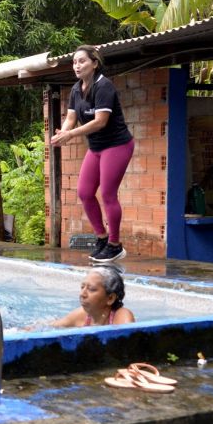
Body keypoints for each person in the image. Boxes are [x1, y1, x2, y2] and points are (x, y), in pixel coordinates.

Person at [50, 45, 134, 263]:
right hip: (96, 148)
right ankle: (102, 238)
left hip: (117, 145)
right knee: (85, 192)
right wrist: (63, 132)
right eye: (75, 62)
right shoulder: (76, 89)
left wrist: (72, 135)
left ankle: (115, 245)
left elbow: (100, 122)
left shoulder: (104, 86)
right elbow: (70, 117)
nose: (77, 66)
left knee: (107, 194)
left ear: (94, 63)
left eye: (82, 61)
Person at [51, 267, 134, 328]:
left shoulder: (122, 316)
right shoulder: (80, 315)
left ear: (110, 298)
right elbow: (51, 326)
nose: (82, 294)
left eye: (91, 289)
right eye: (82, 287)